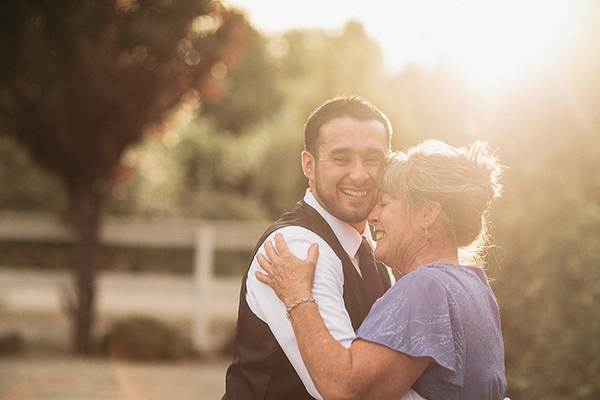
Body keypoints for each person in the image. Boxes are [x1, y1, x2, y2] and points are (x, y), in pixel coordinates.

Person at [256, 139, 508, 400]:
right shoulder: (473, 285)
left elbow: (346, 389)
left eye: (384, 204)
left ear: (427, 214)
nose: (372, 216)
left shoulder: (425, 287)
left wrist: (296, 295)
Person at [223, 96, 396, 399]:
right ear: (309, 165)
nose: (360, 174)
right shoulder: (298, 248)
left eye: (373, 159)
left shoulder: (375, 250)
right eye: (342, 159)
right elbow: (346, 388)